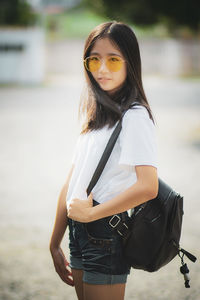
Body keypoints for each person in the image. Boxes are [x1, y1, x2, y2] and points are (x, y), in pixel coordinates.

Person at [50, 21, 158, 300]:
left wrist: (91, 215)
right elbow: (72, 181)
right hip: (79, 231)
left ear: (130, 62)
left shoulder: (135, 117)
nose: (102, 68)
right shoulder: (96, 118)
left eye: (113, 59)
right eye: (93, 60)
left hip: (104, 231)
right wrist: (55, 241)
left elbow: (148, 186)